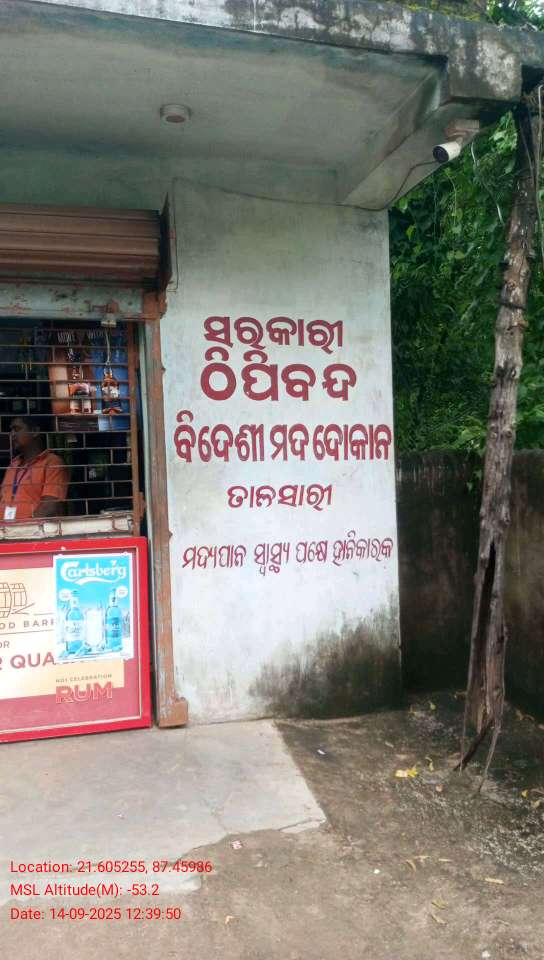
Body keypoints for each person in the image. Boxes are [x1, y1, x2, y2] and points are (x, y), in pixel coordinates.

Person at [0, 414, 69, 521]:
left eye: (17, 429)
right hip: (5, 529)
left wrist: (25, 527)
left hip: (31, 529)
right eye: (11, 430)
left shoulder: (52, 463)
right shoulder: (13, 465)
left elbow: (49, 507)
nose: (12, 434)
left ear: (34, 431)